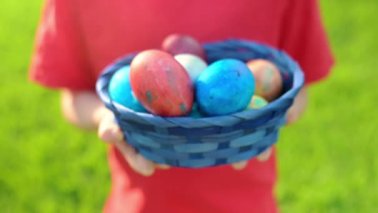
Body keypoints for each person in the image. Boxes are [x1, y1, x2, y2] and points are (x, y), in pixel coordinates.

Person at [29, 0, 334, 212]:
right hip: (139, 204)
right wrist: (105, 116)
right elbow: (74, 97)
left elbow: (295, 87)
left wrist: (272, 117)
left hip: (247, 204)